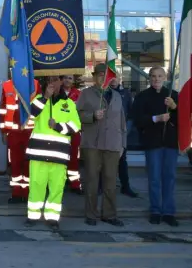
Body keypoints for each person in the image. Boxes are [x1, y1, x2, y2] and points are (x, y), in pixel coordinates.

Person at [25, 76, 81, 231]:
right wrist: (45, 98)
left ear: (61, 82)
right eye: (49, 80)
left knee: (57, 187)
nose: (52, 83)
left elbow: (76, 126)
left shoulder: (68, 103)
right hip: (38, 153)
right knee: (36, 185)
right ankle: (33, 215)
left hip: (59, 154)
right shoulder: (38, 99)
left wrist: (57, 126)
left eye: (55, 80)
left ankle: (52, 217)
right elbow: (30, 115)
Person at [77, 63, 126, 227]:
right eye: (99, 74)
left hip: (113, 144)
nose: (102, 78)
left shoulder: (117, 96)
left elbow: (122, 122)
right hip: (92, 144)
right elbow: (77, 116)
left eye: (106, 75)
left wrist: (122, 145)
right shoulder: (85, 94)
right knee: (91, 180)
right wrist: (91, 115)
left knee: (111, 181)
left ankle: (109, 215)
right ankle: (91, 214)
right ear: (94, 76)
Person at [132, 66, 180, 227]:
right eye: (153, 76)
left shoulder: (174, 96)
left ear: (165, 77)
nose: (156, 79)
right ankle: (155, 211)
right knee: (154, 179)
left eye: (160, 76)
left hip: (171, 144)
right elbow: (138, 120)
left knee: (169, 178)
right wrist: (155, 119)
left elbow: (184, 121)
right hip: (153, 143)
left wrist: (175, 107)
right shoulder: (142, 96)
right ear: (149, 78)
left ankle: (168, 212)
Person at [0, 74, 41, 204]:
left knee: (29, 164)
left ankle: (28, 193)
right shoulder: (6, 85)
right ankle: (17, 193)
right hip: (13, 131)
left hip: (31, 131)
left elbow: (40, 108)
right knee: (15, 164)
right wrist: (4, 131)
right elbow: (3, 109)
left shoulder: (35, 84)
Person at [107, 76, 138, 197]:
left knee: (122, 161)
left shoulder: (126, 93)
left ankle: (125, 186)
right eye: (111, 78)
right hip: (107, 133)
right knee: (104, 160)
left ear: (120, 79)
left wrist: (126, 131)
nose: (113, 81)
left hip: (121, 133)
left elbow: (131, 113)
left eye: (115, 78)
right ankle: (101, 186)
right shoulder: (104, 93)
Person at [61, 75, 84, 194]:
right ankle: (60, 182)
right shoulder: (56, 93)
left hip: (74, 132)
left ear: (74, 81)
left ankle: (75, 184)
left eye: (70, 78)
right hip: (59, 132)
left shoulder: (79, 94)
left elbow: (82, 112)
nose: (67, 80)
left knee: (74, 158)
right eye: (65, 78)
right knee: (60, 157)